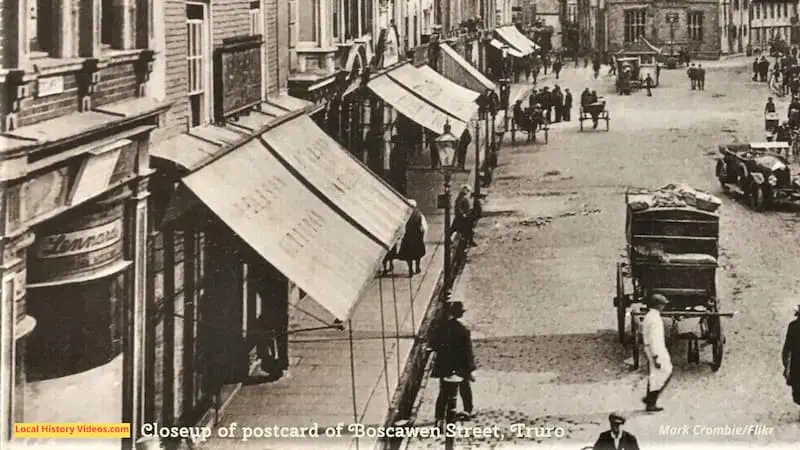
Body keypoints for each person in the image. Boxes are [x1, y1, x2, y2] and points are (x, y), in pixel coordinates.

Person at [429, 300, 477, 426]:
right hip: (461, 365)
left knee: (443, 392)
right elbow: (468, 351)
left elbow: (433, 344)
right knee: (465, 388)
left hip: (445, 365)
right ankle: (467, 410)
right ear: (460, 314)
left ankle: (439, 417)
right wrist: (470, 370)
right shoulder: (464, 330)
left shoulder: (442, 328)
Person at [642, 294, 673, 412]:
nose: (664, 306)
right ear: (658, 305)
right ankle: (651, 403)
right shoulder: (654, 319)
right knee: (665, 372)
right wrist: (656, 357)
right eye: (663, 304)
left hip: (651, 348)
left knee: (655, 375)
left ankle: (649, 399)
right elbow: (654, 339)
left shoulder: (650, 316)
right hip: (656, 349)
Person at [397, 199, 427, 277]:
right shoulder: (420, 214)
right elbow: (424, 227)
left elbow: (402, 226)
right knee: (418, 253)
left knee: (408, 255)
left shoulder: (405, 215)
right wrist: (423, 236)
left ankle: (410, 269)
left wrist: (401, 236)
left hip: (408, 237)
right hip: (417, 236)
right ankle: (417, 267)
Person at [782, 305, 800, 415]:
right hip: (796, 361)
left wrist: (785, 364)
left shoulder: (793, 326)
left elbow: (787, 347)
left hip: (796, 362)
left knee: (798, 387)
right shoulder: (792, 326)